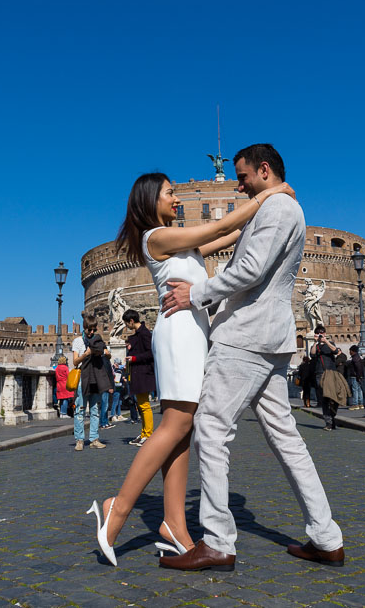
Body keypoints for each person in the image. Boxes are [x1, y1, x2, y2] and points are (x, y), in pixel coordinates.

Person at [86, 167, 294, 567]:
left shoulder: (184, 247)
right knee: (175, 426)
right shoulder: (156, 238)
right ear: (150, 200)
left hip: (194, 332)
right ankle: (119, 507)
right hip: (179, 334)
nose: (176, 199)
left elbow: (229, 235)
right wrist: (269, 194)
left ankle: (174, 524)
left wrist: (271, 215)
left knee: (184, 429)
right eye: (169, 193)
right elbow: (220, 226)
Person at [159, 143, 344, 572]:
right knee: (286, 437)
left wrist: (196, 294)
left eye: (242, 177)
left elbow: (253, 270)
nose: (238, 184)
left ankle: (218, 541)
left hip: (247, 337)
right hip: (270, 336)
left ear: (264, 170)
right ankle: (326, 536)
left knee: (211, 429)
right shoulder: (279, 209)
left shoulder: (278, 210)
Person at [72, 315, 110, 451]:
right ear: (84, 328)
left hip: (96, 377)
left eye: (94, 330)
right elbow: (75, 362)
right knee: (80, 410)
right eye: (89, 330)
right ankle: (79, 440)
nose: (92, 332)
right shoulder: (77, 341)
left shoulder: (98, 340)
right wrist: (86, 354)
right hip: (83, 378)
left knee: (95, 410)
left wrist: (106, 353)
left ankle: (94, 438)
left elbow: (108, 354)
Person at [123, 309, 155, 447]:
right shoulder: (138, 334)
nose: (126, 327)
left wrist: (135, 357)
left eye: (126, 324)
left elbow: (151, 353)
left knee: (145, 406)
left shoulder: (145, 333)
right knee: (141, 406)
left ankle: (149, 434)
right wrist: (131, 346)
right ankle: (144, 433)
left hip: (144, 373)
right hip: (138, 373)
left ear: (131, 321)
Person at [312, 326, 341, 430]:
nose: (321, 334)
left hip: (331, 373)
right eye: (318, 333)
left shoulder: (331, 344)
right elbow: (312, 354)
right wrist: (315, 342)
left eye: (322, 332)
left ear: (325, 333)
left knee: (334, 398)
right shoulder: (316, 346)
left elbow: (335, 351)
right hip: (320, 373)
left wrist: (326, 341)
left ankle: (332, 417)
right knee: (325, 398)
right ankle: (328, 422)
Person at [346, 345, 365, 411]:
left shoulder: (355, 358)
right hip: (358, 376)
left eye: (350, 351)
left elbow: (358, 367)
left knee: (355, 390)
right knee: (359, 390)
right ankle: (361, 404)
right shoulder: (358, 357)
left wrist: (358, 376)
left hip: (355, 376)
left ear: (352, 351)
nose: (349, 352)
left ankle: (355, 404)